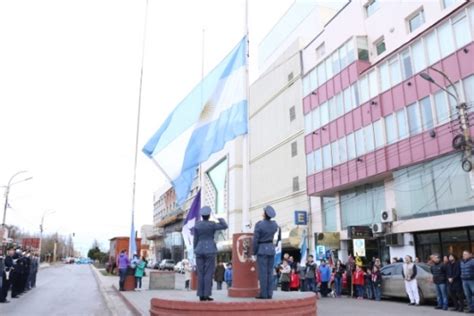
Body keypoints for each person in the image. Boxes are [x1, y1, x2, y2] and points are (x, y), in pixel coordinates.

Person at [194, 206, 228, 301]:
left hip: (199, 249)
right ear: (209, 215)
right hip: (210, 249)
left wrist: (195, 249)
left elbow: (195, 239)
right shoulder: (212, 224)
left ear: (202, 215)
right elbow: (225, 226)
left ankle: (201, 294)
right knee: (208, 273)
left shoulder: (197, 225)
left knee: (201, 273)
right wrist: (218, 217)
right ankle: (206, 294)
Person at [252, 205, 278, 299]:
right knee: (270, 272)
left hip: (262, 249)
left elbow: (255, 240)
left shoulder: (259, 224)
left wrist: (253, 252)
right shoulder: (275, 224)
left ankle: (263, 294)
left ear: (264, 214)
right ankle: (269, 293)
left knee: (263, 273)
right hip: (271, 248)